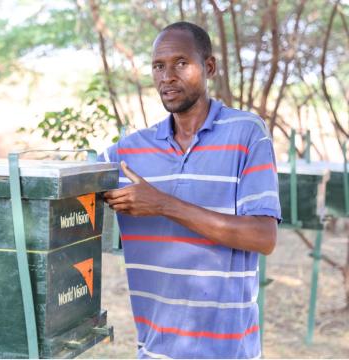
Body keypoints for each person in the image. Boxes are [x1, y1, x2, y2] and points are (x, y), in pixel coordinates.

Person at [99, 21, 281, 359]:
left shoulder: (247, 134)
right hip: (155, 351)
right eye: (158, 66)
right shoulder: (128, 154)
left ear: (208, 66)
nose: (167, 76)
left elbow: (263, 237)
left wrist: (165, 205)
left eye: (181, 63)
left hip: (229, 351)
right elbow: (67, 181)